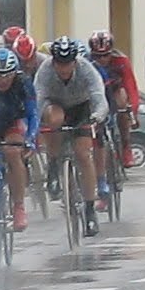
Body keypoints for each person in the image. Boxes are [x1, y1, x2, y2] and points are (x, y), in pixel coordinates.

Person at [36, 37, 110, 236]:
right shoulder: (45, 70)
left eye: (67, 63)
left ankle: (89, 209)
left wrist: (96, 117)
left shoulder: (87, 69)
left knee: (83, 154)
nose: (63, 68)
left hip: (81, 108)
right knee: (54, 118)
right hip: (55, 105)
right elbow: (38, 98)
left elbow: (98, 96)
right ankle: (53, 163)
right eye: (59, 63)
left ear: (75, 61)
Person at [0, 46, 38, 232]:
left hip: (14, 121)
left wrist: (30, 138)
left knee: (13, 152)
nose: (3, 80)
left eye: (8, 75)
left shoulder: (23, 82)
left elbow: (33, 114)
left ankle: (19, 206)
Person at [88, 30, 141, 173]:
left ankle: (126, 145)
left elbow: (131, 88)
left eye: (106, 55)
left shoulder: (121, 61)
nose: (102, 60)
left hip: (115, 90)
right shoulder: (87, 63)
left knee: (123, 97)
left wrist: (133, 113)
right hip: (97, 93)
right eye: (97, 56)